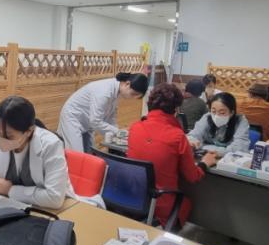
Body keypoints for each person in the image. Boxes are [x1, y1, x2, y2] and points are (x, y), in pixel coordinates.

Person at [128, 83, 218, 227]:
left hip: (133, 196)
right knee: (186, 202)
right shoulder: (177, 136)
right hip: (161, 202)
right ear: (176, 109)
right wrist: (205, 162)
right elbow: (193, 176)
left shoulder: (135, 127)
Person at [57, 72, 149, 152]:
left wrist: (118, 134)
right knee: (76, 154)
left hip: (86, 121)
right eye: (133, 94)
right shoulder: (104, 92)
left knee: (89, 152)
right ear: (127, 84)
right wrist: (117, 132)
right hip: (72, 118)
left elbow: (111, 117)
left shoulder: (116, 92)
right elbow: (95, 121)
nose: (132, 98)